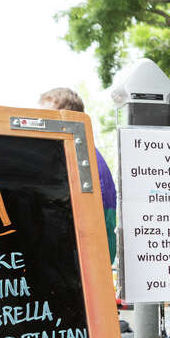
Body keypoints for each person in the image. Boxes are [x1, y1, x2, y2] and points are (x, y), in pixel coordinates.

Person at [38, 88, 118, 263]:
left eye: (46, 118)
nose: (39, 124)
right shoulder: (80, 155)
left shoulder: (82, 159)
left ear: (66, 118)